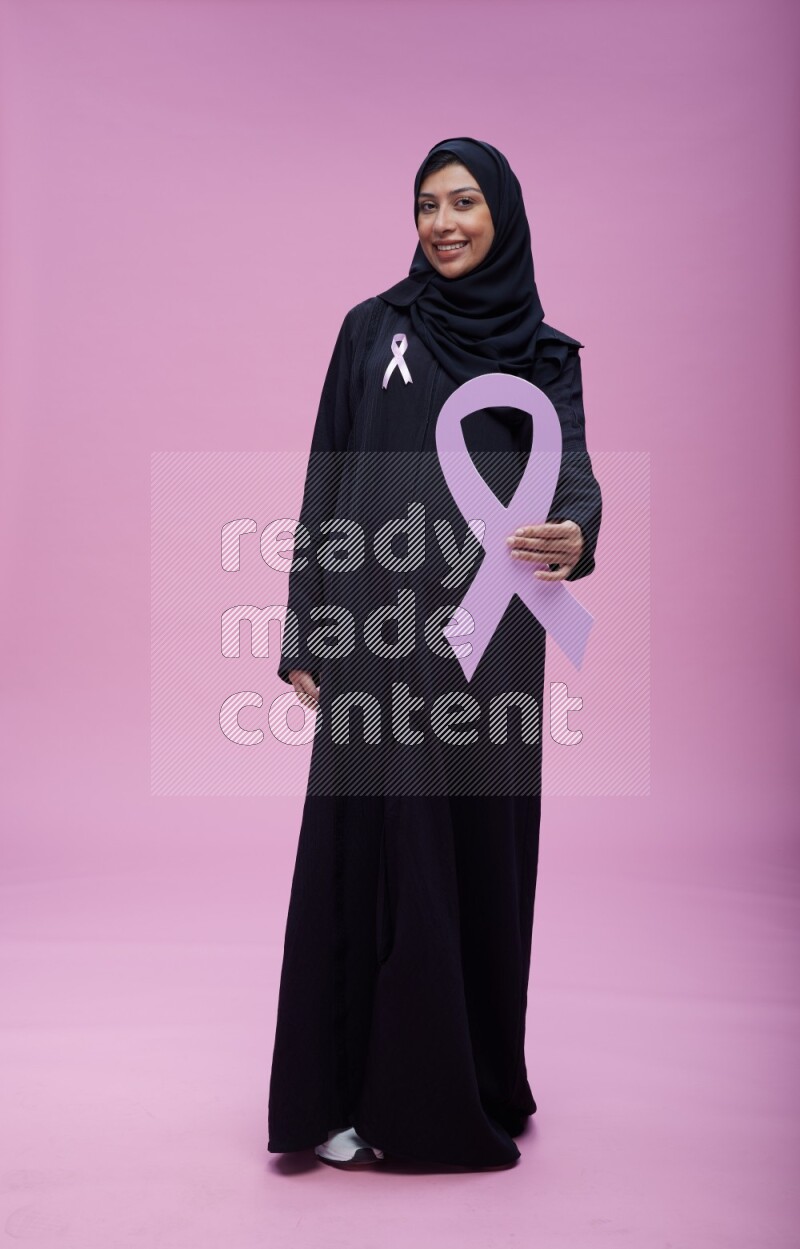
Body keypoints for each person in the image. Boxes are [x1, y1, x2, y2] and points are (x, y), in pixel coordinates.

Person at [267, 137, 602, 1171]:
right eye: (425, 205)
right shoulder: (372, 330)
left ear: (500, 213)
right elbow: (327, 478)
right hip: (372, 638)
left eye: (462, 203)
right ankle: (335, 1093)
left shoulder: (545, 354)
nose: (442, 223)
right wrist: (304, 626)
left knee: (474, 856)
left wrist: (575, 537)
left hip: (489, 651)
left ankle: (470, 1085)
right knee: (363, 853)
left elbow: (573, 481)